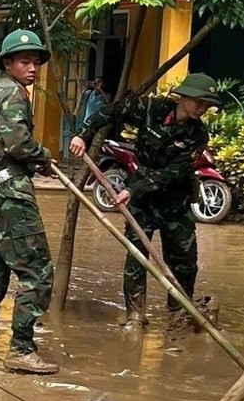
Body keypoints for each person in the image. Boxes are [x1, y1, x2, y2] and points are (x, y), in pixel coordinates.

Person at [70, 72, 221, 328]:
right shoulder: (152, 109)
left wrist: (133, 190)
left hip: (175, 203)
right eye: (199, 102)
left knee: (184, 262)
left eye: (207, 105)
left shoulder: (198, 136)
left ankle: (179, 313)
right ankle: (135, 316)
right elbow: (110, 112)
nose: (202, 108)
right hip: (142, 203)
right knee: (136, 258)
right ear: (183, 97)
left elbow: (170, 174)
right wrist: (81, 135)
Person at [0, 29, 57, 374]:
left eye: (35, 62)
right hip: (8, 193)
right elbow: (18, 144)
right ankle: (21, 349)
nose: (32, 68)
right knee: (38, 270)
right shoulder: (14, 94)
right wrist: (44, 155)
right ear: (8, 64)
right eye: (25, 61)